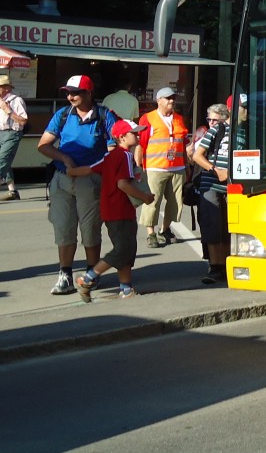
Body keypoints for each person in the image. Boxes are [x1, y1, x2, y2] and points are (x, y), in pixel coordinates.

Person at [37, 74, 119, 295]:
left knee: (90, 229)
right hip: (62, 179)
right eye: (68, 93)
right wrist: (64, 158)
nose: (70, 97)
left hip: (90, 181)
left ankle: (92, 273)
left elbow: (114, 150)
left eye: (75, 93)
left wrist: (92, 170)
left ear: (89, 93)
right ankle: (65, 275)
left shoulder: (105, 116)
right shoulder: (63, 114)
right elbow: (43, 145)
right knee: (63, 228)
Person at [71, 119, 154, 301]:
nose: (138, 135)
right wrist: (145, 197)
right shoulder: (125, 156)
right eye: (134, 133)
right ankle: (87, 278)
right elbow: (123, 184)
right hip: (121, 210)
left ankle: (126, 288)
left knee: (125, 249)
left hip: (110, 210)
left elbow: (89, 169)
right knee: (123, 249)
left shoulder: (110, 156)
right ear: (121, 137)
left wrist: (71, 171)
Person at [135, 87, 188, 248]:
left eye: (173, 98)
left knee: (175, 203)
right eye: (167, 98)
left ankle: (164, 229)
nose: (171, 101)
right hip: (155, 168)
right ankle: (151, 234)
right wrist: (138, 167)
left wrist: (186, 165)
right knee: (152, 201)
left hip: (177, 168)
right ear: (159, 100)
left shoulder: (179, 119)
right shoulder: (148, 118)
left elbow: (183, 144)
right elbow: (141, 144)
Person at [192, 103, 238, 285]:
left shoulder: (241, 132)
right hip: (211, 184)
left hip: (231, 187)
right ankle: (215, 266)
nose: (210, 123)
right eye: (209, 119)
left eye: (214, 119)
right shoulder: (216, 130)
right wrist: (215, 170)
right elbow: (197, 155)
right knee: (213, 227)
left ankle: (226, 265)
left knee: (226, 227)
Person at [0, 73, 28, 200]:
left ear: (6, 88)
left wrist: (8, 111)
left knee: (2, 160)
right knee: (5, 161)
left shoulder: (16, 100)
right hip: (1, 132)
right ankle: (13, 191)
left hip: (12, 133)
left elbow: (23, 121)